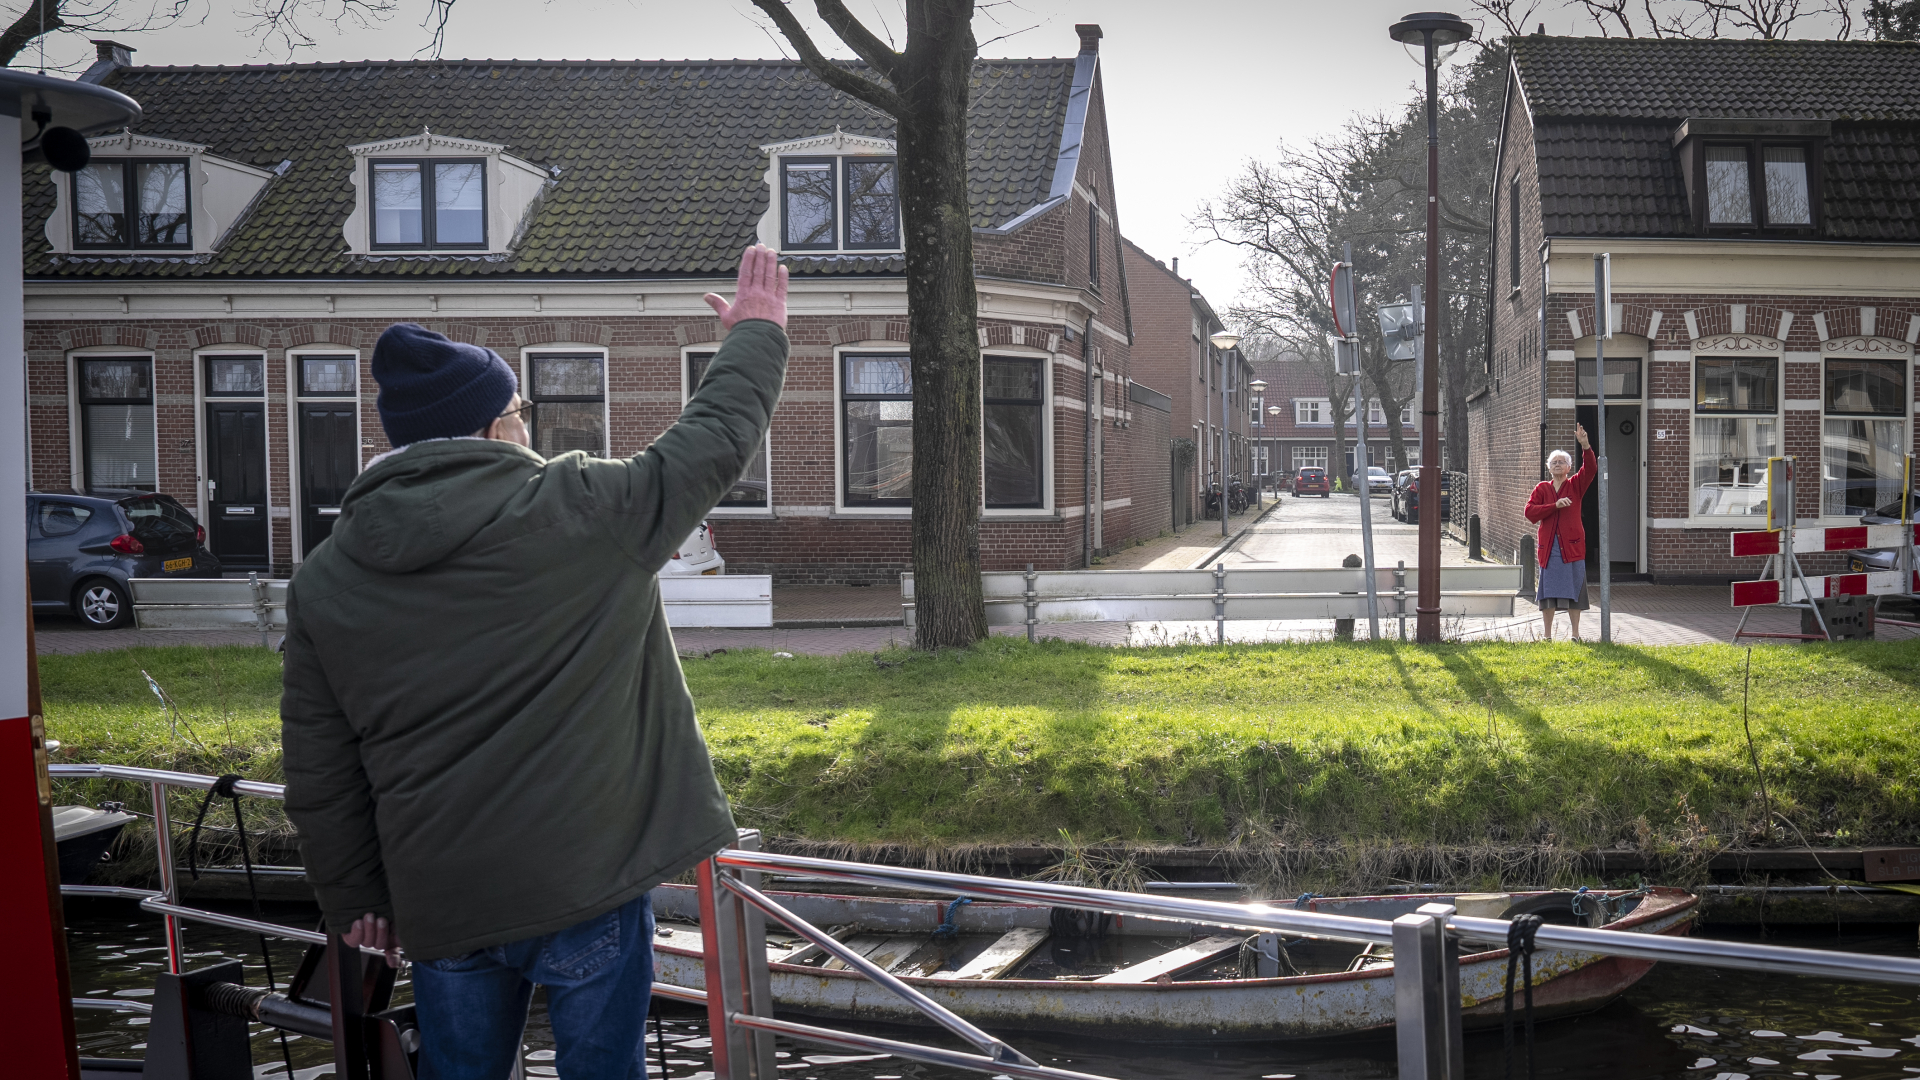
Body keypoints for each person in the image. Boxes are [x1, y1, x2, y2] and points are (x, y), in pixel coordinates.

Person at [281, 245, 789, 1079]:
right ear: (493, 426)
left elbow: (318, 764)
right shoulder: (583, 507)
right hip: (583, 883)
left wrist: (354, 898)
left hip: (442, 899)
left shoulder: (326, 576)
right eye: (520, 408)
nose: (528, 424)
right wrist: (758, 335)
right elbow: (711, 442)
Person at [1524, 423, 1594, 641]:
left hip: (1572, 548)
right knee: (1548, 595)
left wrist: (1585, 445)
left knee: (1575, 591)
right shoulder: (1542, 489)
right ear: (1548, 467)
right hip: (1549, 549)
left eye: (1561, 462)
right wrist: (1554, 506)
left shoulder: (1575, 485)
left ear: (1568, 467)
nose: (1557, 464)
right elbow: (1530, 512)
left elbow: (1590, 469)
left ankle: (1575, 634)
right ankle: (1547, 636)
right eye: (1553, 462)